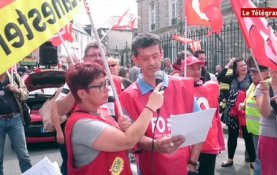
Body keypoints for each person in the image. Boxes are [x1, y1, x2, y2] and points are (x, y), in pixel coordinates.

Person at [119, 33, 201, 175]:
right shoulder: (127, 96)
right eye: (145, 58)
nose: (151, 62)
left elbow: (200, 126)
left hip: (183, 168)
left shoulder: (183, 86)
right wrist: (156, 146)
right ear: (136, 60)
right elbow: (132, 137)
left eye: (155, 56)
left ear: (162, 54)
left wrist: (193, 163)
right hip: (149, 169)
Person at [64, 62, 164, 175]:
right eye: (100, 85)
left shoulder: (102, 114)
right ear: (82, 93)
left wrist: (126, 129)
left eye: (105, 83)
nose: (106, 89)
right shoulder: (82, 124)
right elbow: (128, 142)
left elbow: (125, 148)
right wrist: (151, 107)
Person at [54, 42, 132, 175]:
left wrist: (126, 124)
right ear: (84, 59)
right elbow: (59, 109)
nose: (98, 58)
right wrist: (78, 86)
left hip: (114, 139)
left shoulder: (117, 81)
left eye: (101, 55)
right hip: (88, 142)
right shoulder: (76, 82)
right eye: (94, 55)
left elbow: (125, 111)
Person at [181, 56, 225, 175]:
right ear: (183, 70)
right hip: (186, 145)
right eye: (192, 68)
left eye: (199, 68)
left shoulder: (212, 87)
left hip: (208, 143)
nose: (196, 71)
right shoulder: (178, 90)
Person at [218, 57, 256, 167]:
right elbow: (220, 77)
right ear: (236, 69)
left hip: (245, 111)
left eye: (245, 65)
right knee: (232, 136)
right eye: (241, 66)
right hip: (232, 112)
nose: (244, 67)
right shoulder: (232, 78)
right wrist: (229, 63)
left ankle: (253, 160)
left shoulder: (251, 78)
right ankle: (230, 159)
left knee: (248, 137)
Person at [0, 71, 32, 174]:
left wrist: (17, 90)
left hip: (15, 120)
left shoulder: (14, 76)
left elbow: (26, 94)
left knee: (23, 155)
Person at [243, 65, 269, 175]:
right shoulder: (254, 85)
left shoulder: (267, 85)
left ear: (265, 73)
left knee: (261, 160)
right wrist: (243, 104)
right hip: (254, 129)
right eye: (251, 71)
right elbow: (248, 99)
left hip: (264, 130)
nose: (251, 74)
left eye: (255, 71)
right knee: (259, 157)